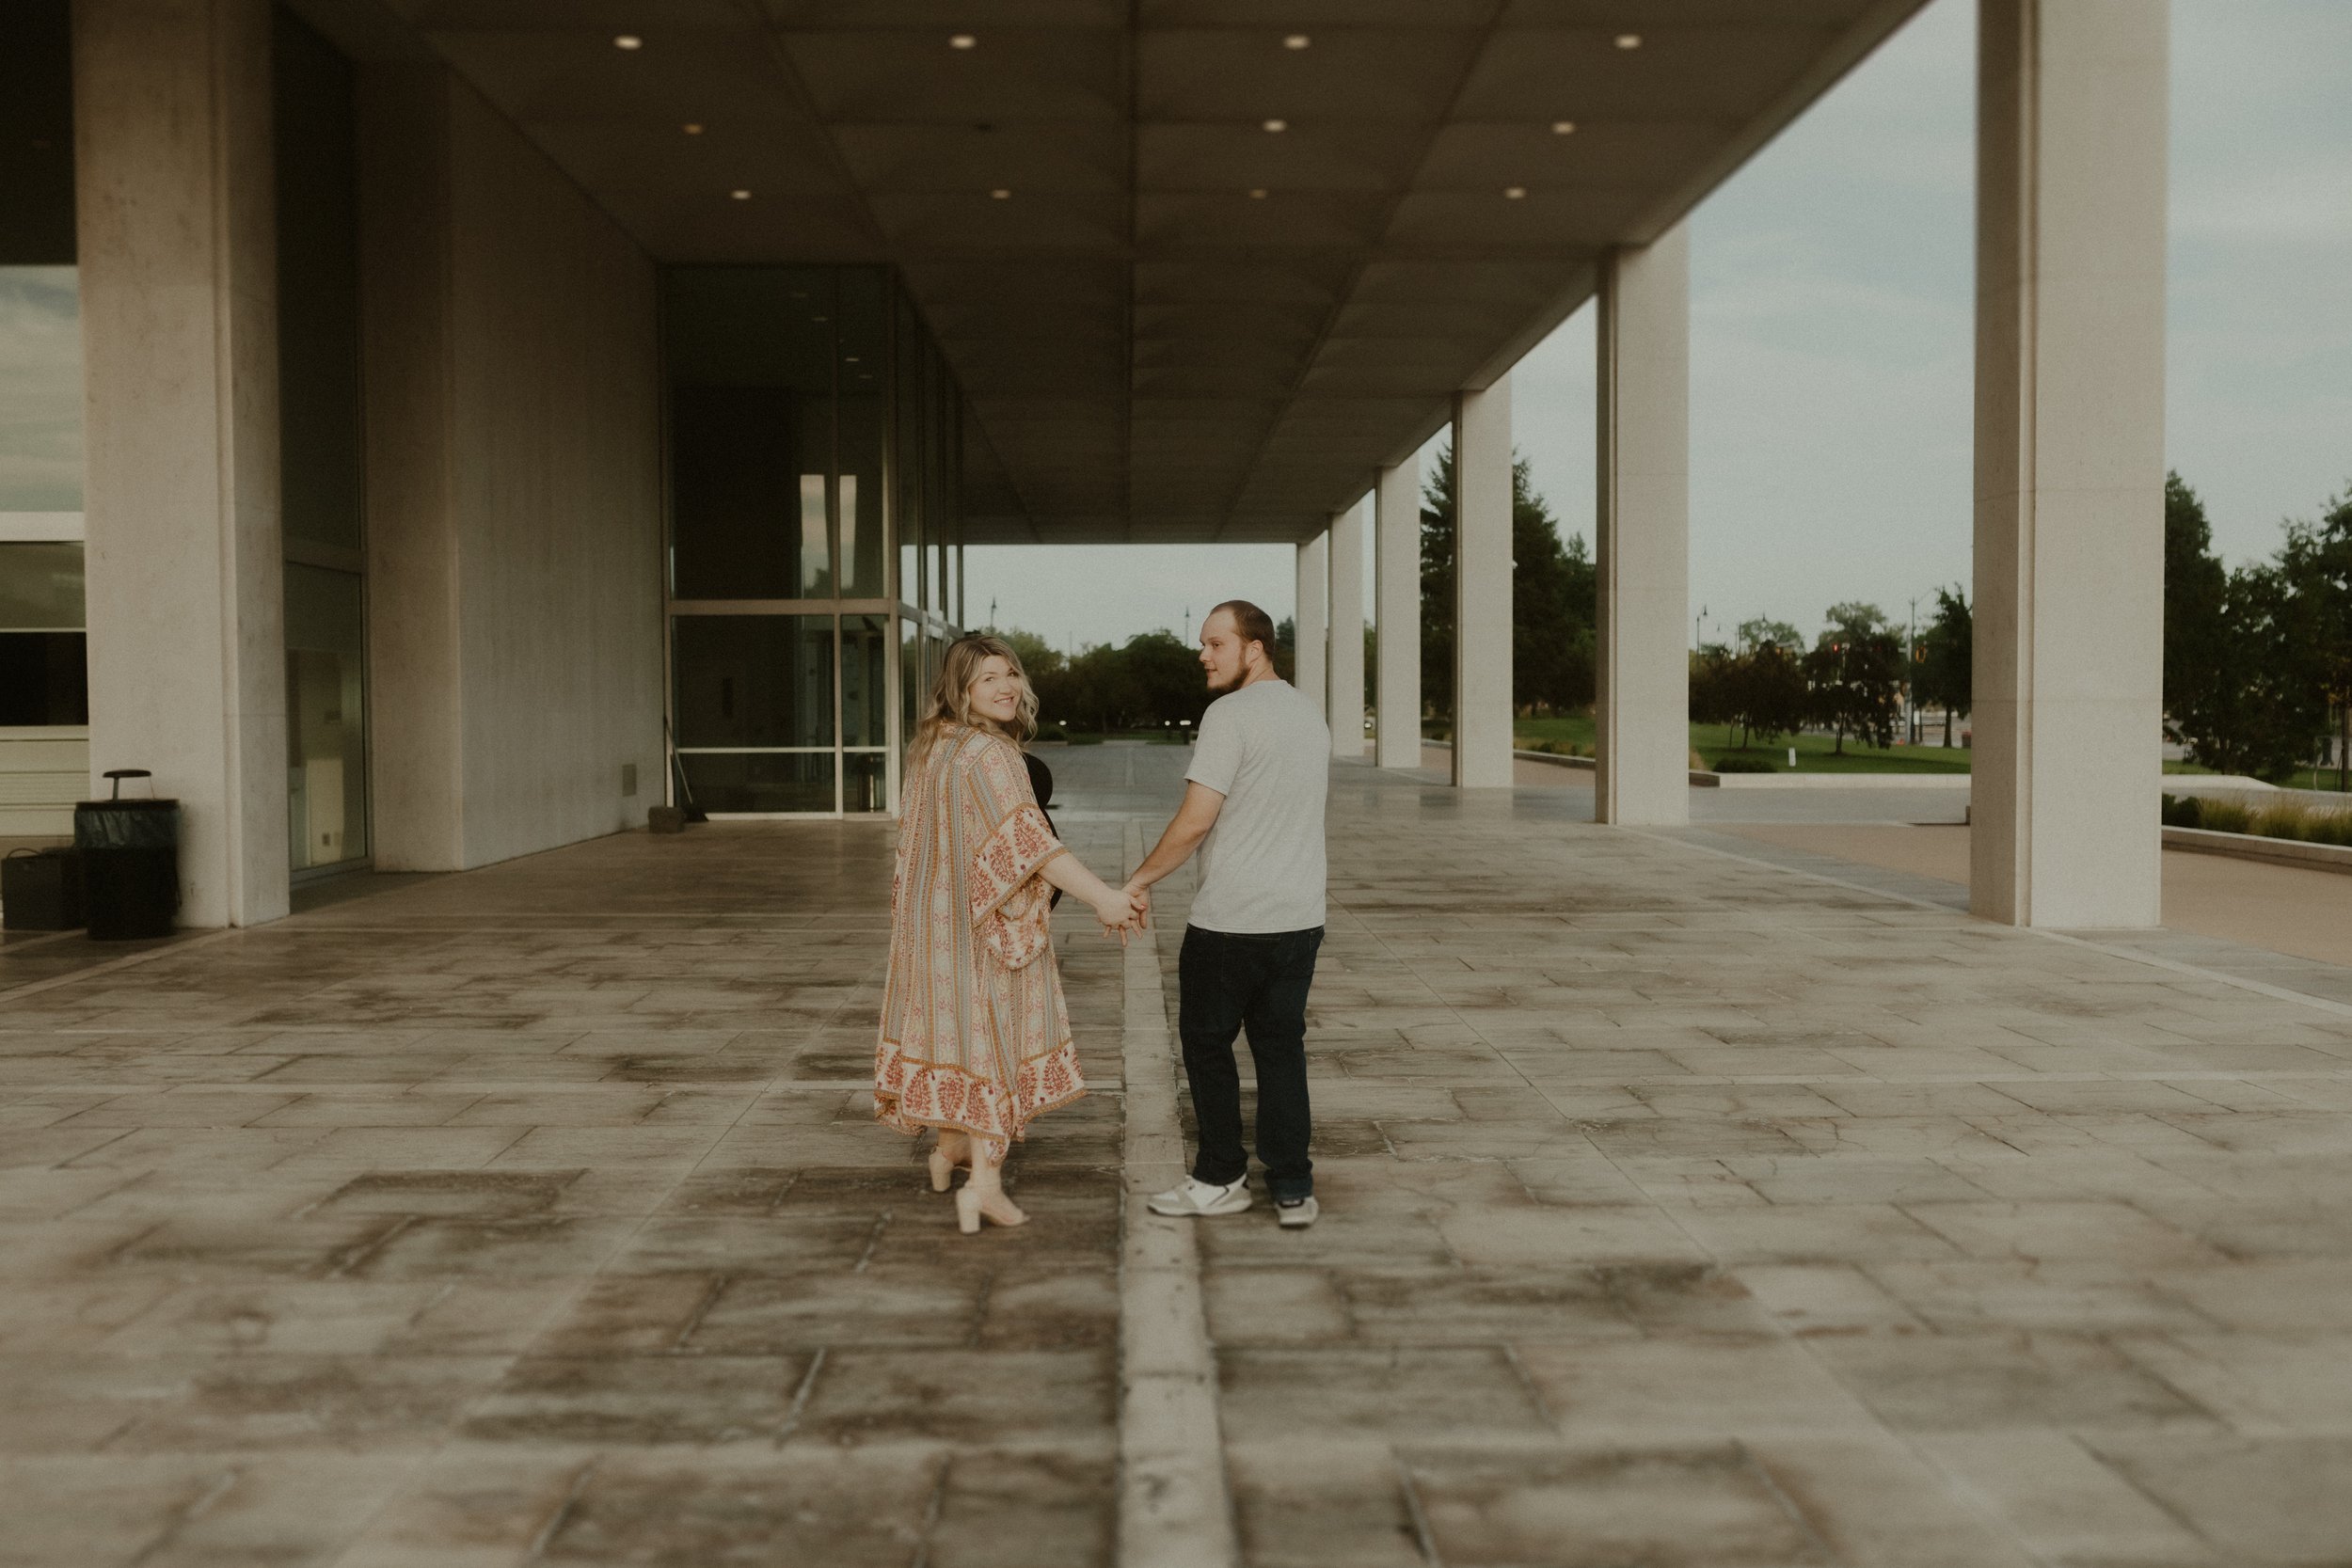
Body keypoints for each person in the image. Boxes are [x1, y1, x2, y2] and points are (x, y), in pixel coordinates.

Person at [875, 634, 1141, 1233]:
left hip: (932, 930)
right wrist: (1105, 897)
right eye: (988, 678)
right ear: (961, 689)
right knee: (990, 1047)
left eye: (1011, 674)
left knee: (961, 1045)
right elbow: (1029, 846)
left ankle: (949, 1152)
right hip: (974, 930)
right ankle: (983, 1189)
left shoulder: (935, 746)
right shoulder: (990, 755)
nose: (1006, 687)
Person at [1125, 601, 1330, 1227]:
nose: (1203, 655)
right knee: (1280, 1047)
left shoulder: (1229, 714)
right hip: (1299, 916)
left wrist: (1137, 880)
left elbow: (1196, 819)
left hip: (1231, 920)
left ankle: (1220, 1176)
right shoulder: (1308, 714)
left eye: (1216, 643)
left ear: (1255, 647)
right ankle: (1293, 1185)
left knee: (1208, 1045)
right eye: (1203, 644)